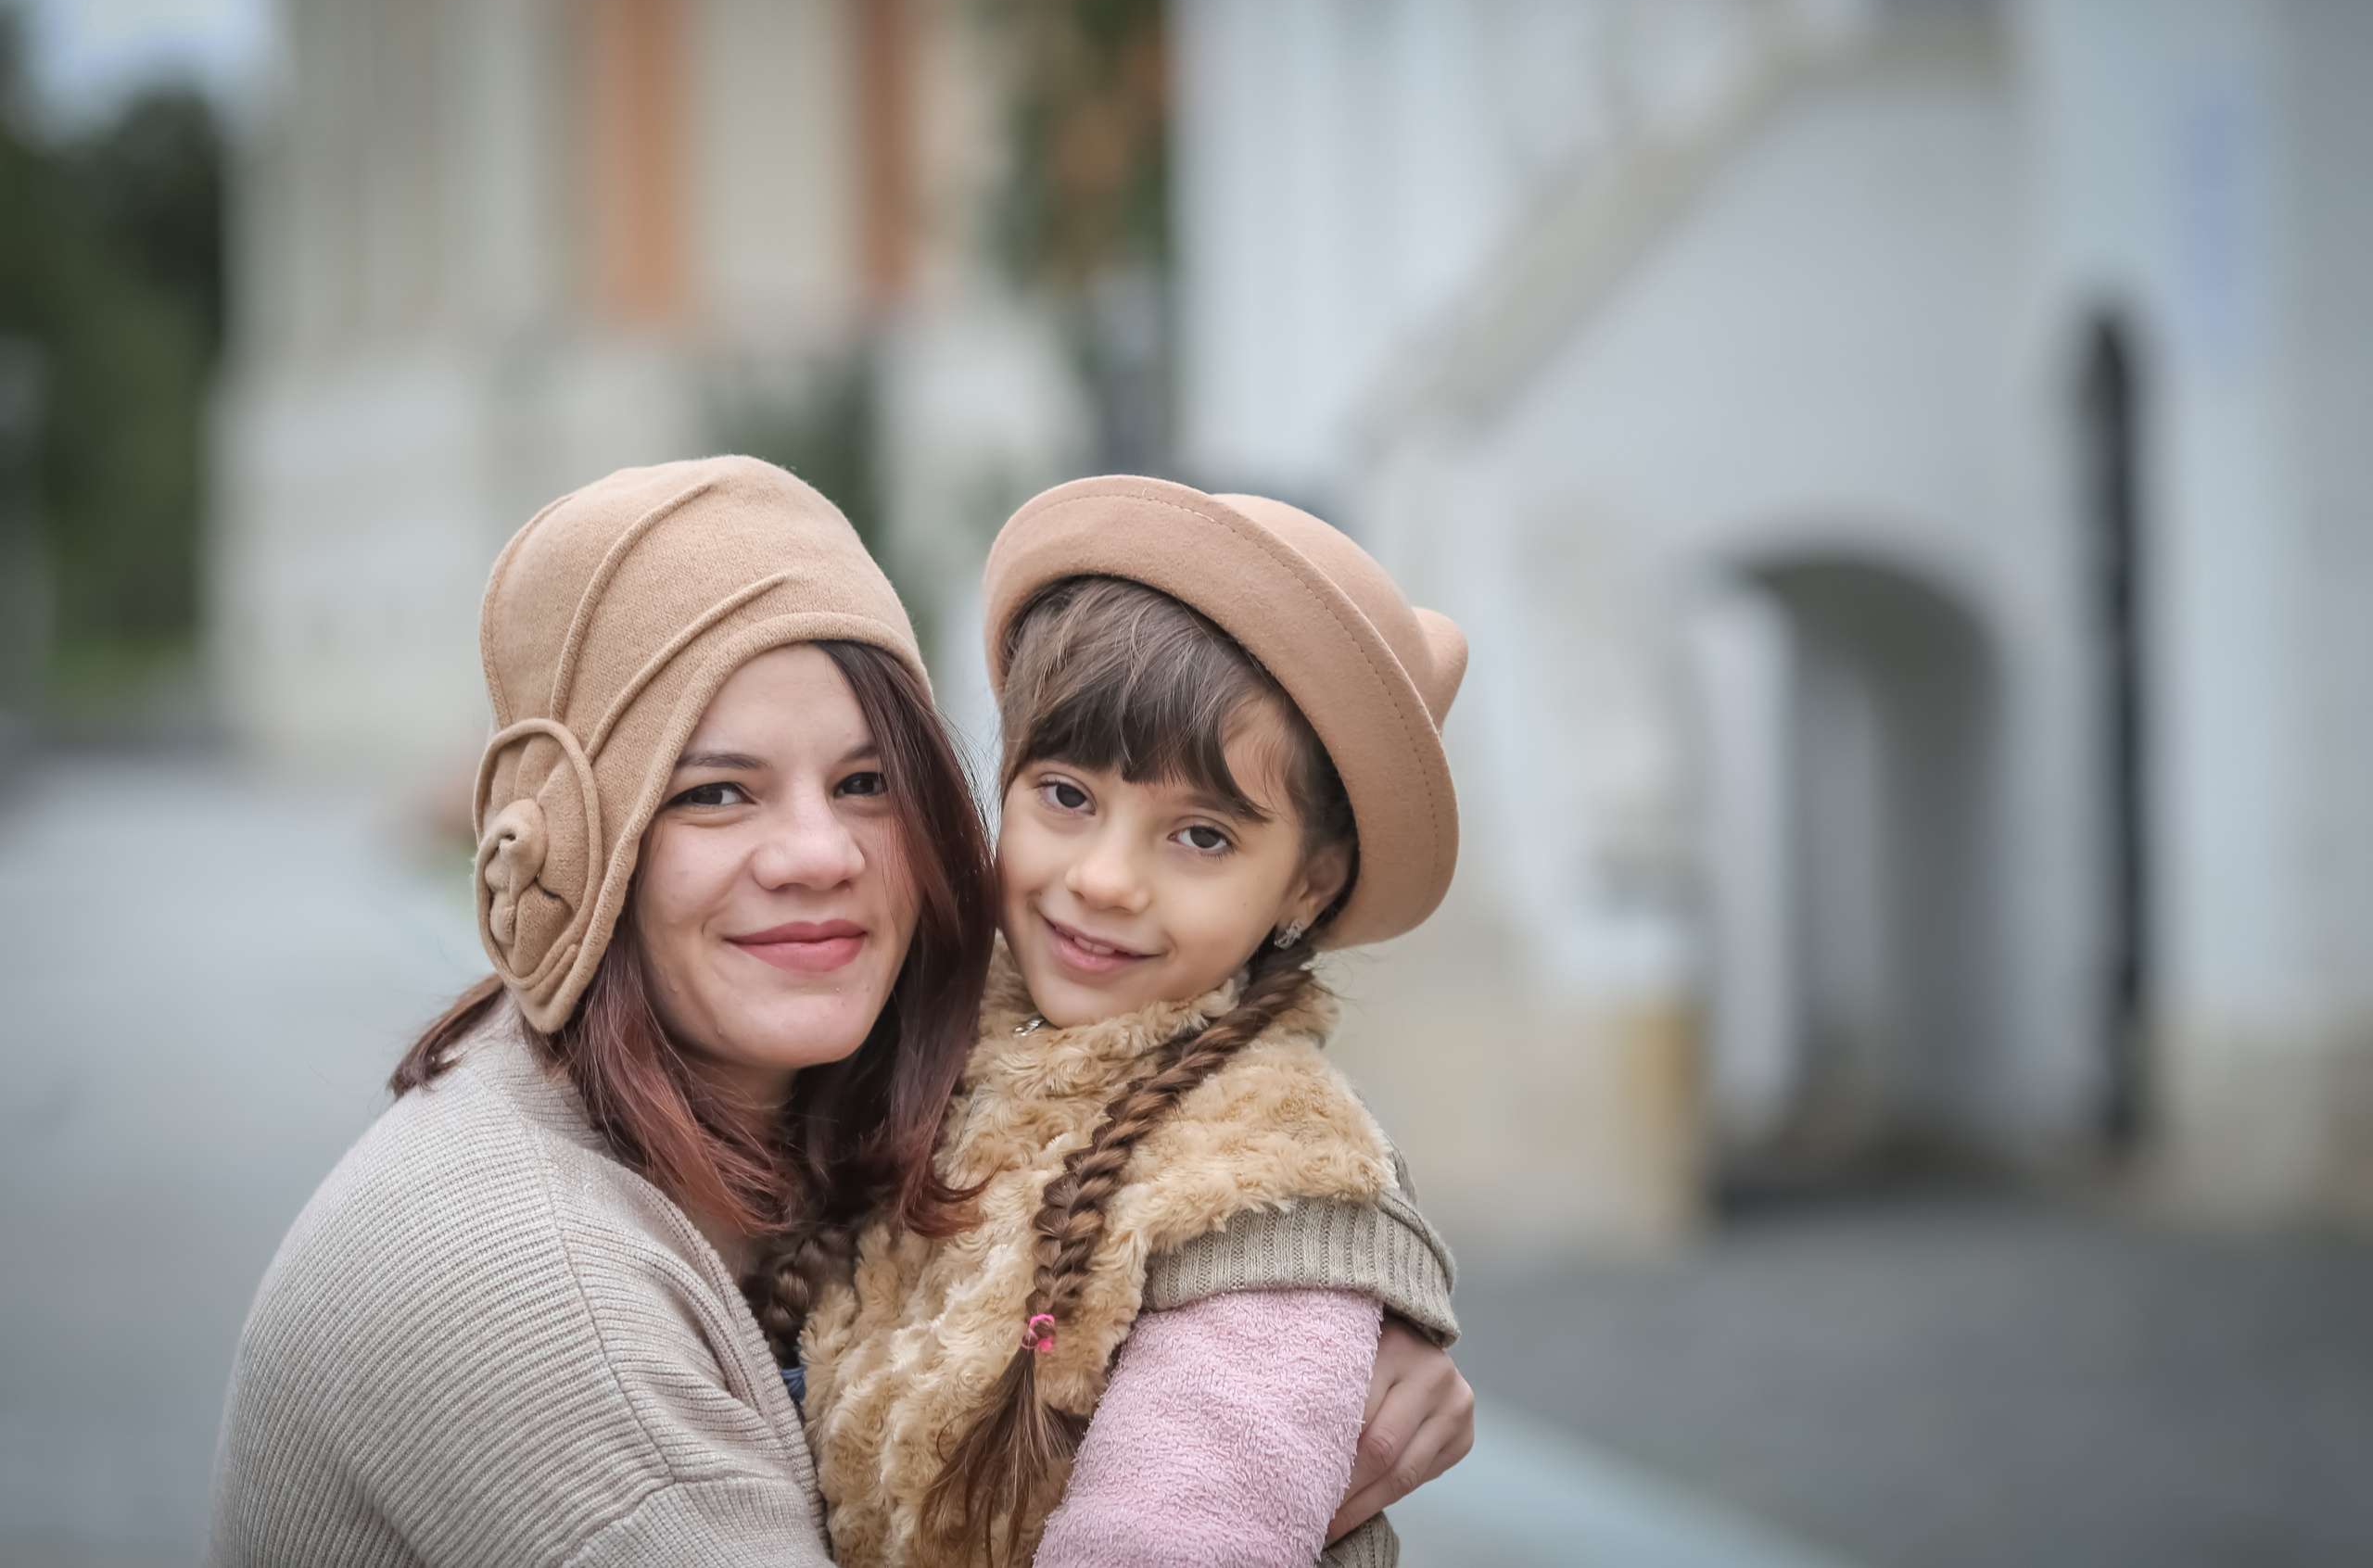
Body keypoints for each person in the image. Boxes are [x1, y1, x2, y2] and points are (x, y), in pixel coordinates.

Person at [209, 457, 1468, 1568]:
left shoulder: (872, 1074)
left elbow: (1222, 1121)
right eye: (715, 792)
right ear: (582, 837)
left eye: (866, 779)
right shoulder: (531, 1285)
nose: (818, 851)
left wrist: (1334, 1266)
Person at [801, 475, 1474, 1568]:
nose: (1105, 881)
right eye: (1065, 796)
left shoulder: (1263, 1197)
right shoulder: (930, 1030)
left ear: (1309, 883)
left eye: (1201, 836)